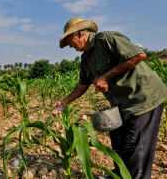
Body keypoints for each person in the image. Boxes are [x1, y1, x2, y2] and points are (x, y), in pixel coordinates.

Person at [52, 17, 167, 179]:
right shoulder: (86, 59)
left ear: (80, 34)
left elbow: (138, 55)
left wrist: (105, 77)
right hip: (122, 103)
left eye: (69, 41)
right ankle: (120, 174)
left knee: (136, 147)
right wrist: (65, 101)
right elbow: (83, 84)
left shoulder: (106, 39)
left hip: (143, 98)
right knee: (119, 139)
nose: (69, 46)